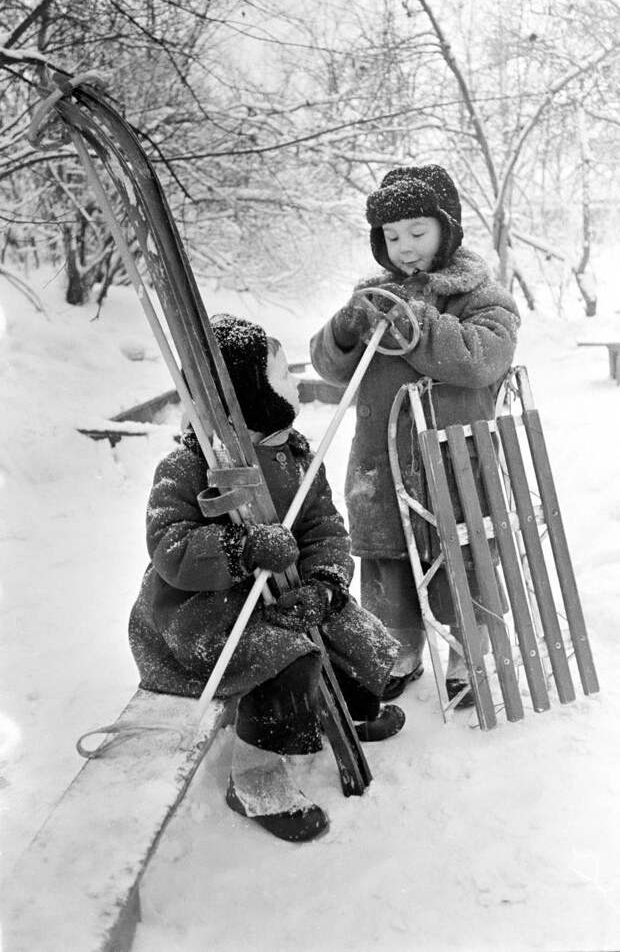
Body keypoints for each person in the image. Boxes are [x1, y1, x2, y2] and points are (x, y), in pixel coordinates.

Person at [129, 313, 404, 844]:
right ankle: (254, 780)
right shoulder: (189, 465)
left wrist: (323, 581)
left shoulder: (295, 453)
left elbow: (325, 525)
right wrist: (241, 547)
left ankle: (347, 708)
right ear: (247, 391)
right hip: (201, 617)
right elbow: (170, 549)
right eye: (281, 375)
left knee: (339, 619)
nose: (295, 385)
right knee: (284, 656)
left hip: (279, 592)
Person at [310, 164, 521, 707]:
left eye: (418, 232)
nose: (404, 248)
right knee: (388, 565)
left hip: (455, 461)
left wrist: (417, 325)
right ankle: (395, 655)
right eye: (392, 236)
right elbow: (332, 368)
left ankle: (466, 657)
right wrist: (344, 329)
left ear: (447, 230)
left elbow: (482, 358)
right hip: (382, 460)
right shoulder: (374, 294)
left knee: (461, 559)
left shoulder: (479, 295)